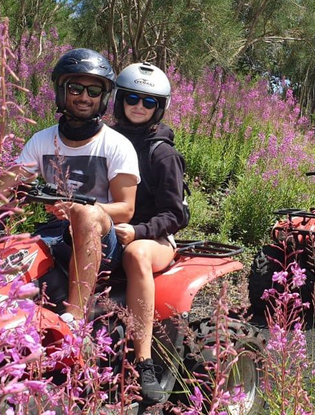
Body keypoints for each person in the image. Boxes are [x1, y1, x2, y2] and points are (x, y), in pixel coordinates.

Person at [0, 48, 140, 326]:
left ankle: (75, 317)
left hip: (102, 241)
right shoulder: (42, 140)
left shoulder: (116, 144)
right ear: (61, 91)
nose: (84, 97)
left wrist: (76, 210)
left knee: (85, 213)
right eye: (75, 88)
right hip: (53, 235)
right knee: (4, 251)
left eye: (94, 90)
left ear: (104, 97)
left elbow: (126, 208)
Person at [111, 62, 188, 404]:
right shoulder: (106, 141)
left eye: (149, 101)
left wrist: (139, 230)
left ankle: (144, 360)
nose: (139, 106)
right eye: (132, 97)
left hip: (153, 237)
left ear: (160, 107)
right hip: (107, 227)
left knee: (135, 254)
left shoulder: (162, 153)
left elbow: (175, 213)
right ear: (119, 100)